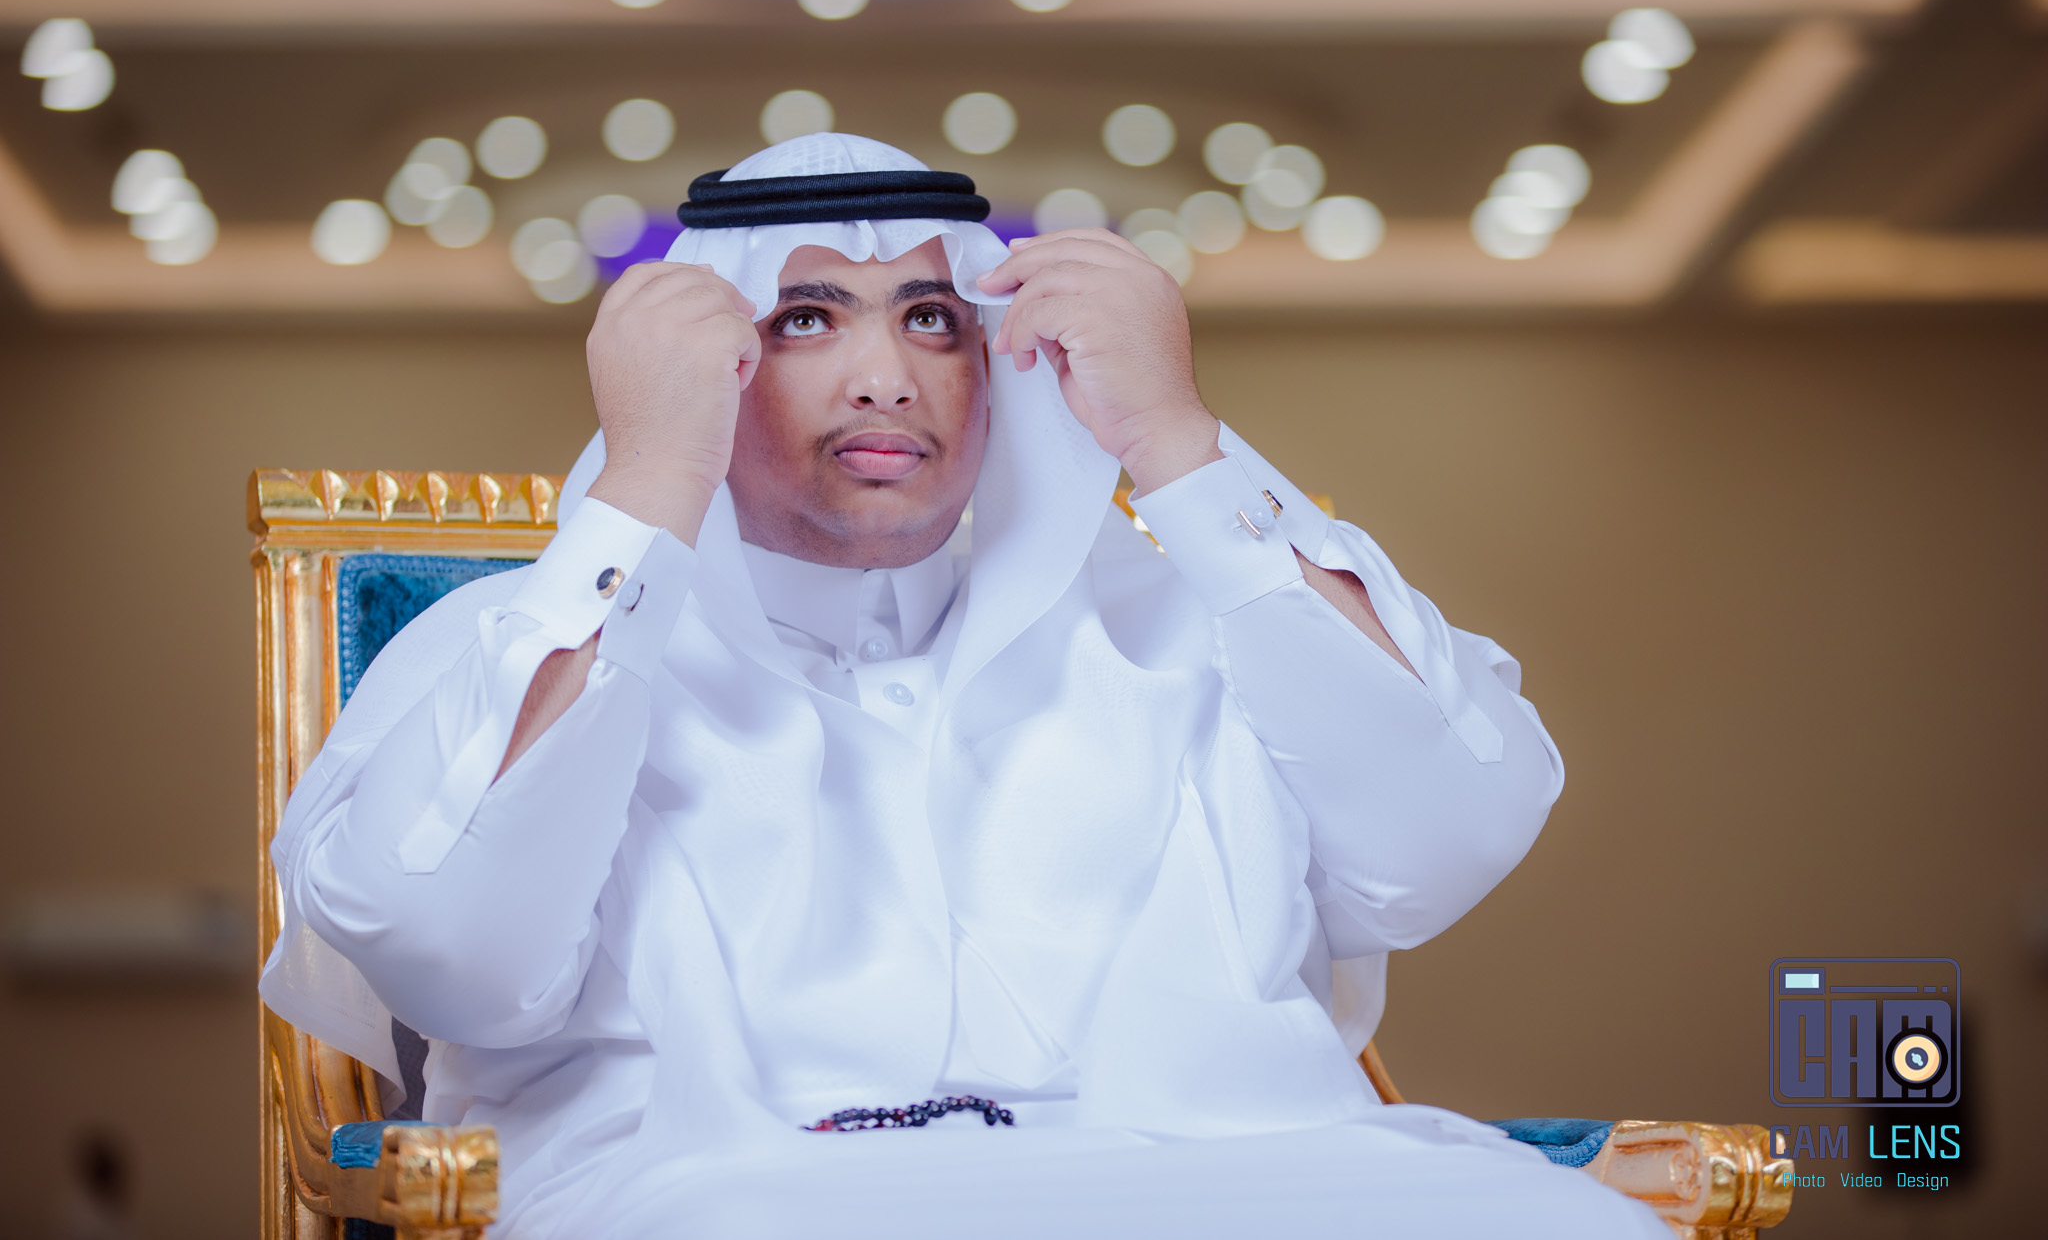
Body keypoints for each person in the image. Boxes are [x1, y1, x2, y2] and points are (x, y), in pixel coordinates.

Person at [261, 133, 1662, 1239]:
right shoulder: (518, 644)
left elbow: (1450, 835)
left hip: (1215, 1169)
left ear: (997, 369)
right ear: (713, 366)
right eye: (805, 319)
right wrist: (650, 480)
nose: (885, 377)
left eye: (932, 318)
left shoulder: (1190, 629)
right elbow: (454, 956)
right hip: (722, 1189)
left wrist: (1177, 440)